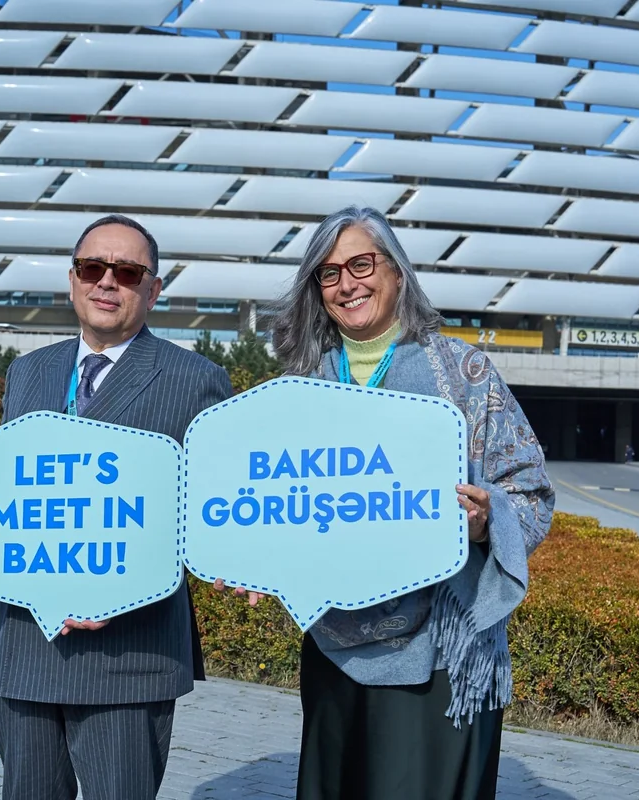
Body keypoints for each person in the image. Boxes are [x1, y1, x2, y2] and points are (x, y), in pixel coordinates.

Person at [223, 205, 555, 799]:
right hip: (333, 648)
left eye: (361, 264)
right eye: (328, 273)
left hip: (443, 653)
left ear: (397, 271)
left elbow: (529, 490)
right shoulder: (299, 389)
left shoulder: (465, 372)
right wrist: (255, 557)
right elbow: (274, 502)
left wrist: (485, 523)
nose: (346, 283)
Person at [0, 214, 233, 800]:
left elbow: (212, 513)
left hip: (128, 654)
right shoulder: (28, 372)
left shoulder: (195, 379)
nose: (106, 281)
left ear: (153, 289)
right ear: (72, 279)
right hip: (27, 647)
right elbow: (11, 484)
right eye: (92, 267)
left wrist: (129, 581)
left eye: (127, 272)